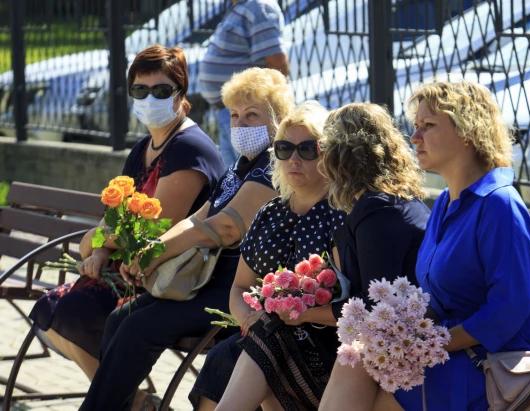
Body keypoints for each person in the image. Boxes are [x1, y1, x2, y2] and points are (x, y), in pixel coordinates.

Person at [327, 81, 530, 411]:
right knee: (357, 357)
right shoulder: (445, 206)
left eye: (429, 126)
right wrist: (396, 337)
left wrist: (431, 343)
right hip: (458, 348)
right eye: (416, 126)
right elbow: (436, 297)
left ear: (467, 132)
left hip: (506, 360)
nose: (414, 137)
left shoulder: (499, 204)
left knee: (374, 389)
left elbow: (507, 309)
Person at [78, 66, 294, 411]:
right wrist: (152, 251)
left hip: (243, 288)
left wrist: (157, 252)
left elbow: (226, 227)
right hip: (211, 279)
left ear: (279, 117)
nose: (240, 124)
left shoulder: (276, 165)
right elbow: (199, 217)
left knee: (139, 326)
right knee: (123, 317)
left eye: (252, 114)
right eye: (234, 115)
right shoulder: (241, 164)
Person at [28, 44, 226, 410]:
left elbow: (155, 228)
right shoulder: (144, 147)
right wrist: (101, 247)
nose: (149, 99)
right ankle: (134, 403)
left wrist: (96, 240)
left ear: (181, 94)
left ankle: (126, 404)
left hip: (171, 278)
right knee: (50, 311)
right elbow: (115, 217)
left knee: (71, 310)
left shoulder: (189, 148)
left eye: (161, 91)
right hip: (132, 270)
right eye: (140, 90)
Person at [215, 102, 430, 411]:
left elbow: (370, 308)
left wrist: (300, 313)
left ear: (343, 152)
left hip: (387, 352)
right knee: (271, 337)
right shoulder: (378, 202)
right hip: (367, 341)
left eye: (317, 148)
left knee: (273, 337)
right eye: (285, 148)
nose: (314, 158)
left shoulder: (374, 210)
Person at [188, 100, 346, 411]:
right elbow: (239, 287)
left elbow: (348, 304)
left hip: (321, 339)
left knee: (243, 354)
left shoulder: (340, 215)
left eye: (307, 149)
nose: (294, 159)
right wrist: (248, 319)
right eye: (285, 149)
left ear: (327, 153)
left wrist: (290, 315)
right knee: (230, 354)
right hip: (264, 329)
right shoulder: (270, 212)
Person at [198, 0, 289, 167]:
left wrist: (277, 104)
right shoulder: (238, 7)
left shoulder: (258, 7)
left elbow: (277, 61)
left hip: (249, 115)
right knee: (235, 177)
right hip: (232, 112)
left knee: (253, 174)